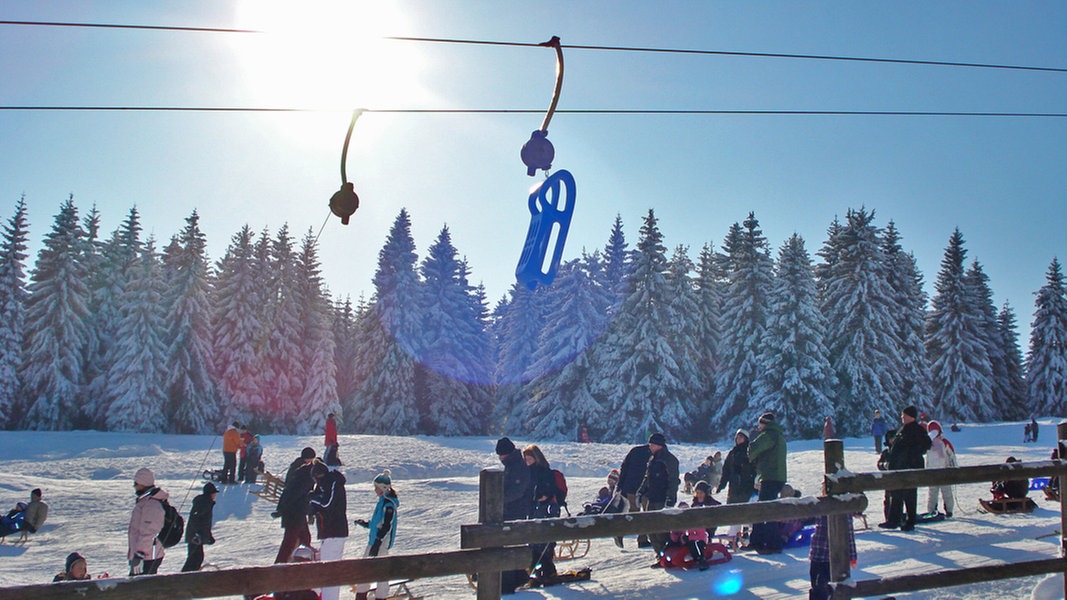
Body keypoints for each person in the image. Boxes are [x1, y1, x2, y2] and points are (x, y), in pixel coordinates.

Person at [879, 406, 931, 531]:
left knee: (909, 495)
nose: (902, 417)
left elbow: (926, 445)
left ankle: (909, 521)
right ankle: (894, 520)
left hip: (909, 468)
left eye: (904, 415)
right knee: (896, 494)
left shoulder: (917, 430)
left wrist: (911, 456)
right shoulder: (903, 430)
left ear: (910, 416)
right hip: (899, 467)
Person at [353, 470, 399, 600]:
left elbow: (386, 526)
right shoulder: (382, 501)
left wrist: (378, 542)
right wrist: (367, 524)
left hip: (380, 543)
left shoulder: (388, 504)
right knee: (365, 568)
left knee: (381, 572)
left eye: (376, 488)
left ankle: (380, 596)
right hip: (374, 541)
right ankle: (361, 595)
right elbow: (378, 523)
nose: (375, 490)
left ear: (384, 488)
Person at [637, 432, 680, 567]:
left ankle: (667, 555)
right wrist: (641, 491)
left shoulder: (670, 460)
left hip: (662, 498)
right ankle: (659, 556)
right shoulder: (653, 459)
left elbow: (673, 480)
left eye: (652, 444)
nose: (650, 446)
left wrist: (670, 497)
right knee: (651, 529)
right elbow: (647, 478)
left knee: (662, 529)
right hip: (651, 497)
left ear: (659, 445)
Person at [494, 437, 531, 594]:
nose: (500, 458)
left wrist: (500, 500)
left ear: (506, 453)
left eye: (501, 455)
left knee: (509, 545)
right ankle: (519, 576)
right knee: (512, 544)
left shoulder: (516, 466)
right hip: (512, 510)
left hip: (515, 510)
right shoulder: (512, 464)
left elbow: (517, 490)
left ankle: (509, 582)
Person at [307, 460, 348, 600]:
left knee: (330, 572)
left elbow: (327, 504)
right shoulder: (325, 485)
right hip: (327, 532)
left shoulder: (333, 483)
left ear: (319, 475)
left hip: (335, 532)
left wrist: (313, 499)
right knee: (326, 571)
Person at [748, 412, 788, 553]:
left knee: (765, 511)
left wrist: (751, 450)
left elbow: (754, 448)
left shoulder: (769, 435)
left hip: (770, 477)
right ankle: (758, 541)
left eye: (760, 424)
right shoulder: (779, 435)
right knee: (764, 508)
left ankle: (772, 544)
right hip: (776, 477)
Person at [273, 448, 317, 564]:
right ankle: (281, 564)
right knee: (291, 540)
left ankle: (300, 560)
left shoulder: (298, 468)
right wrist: (310, 510)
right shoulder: (305, 474)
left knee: (303, 537)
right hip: (294, 511)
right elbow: (299, 494)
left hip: (295, 510)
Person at [522, 444, 558, 579]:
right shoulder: (528, 471)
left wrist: (541, 496)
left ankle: (547, 571)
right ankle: (537, 570)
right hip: (534, 508)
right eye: (526, 458)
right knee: (534, 541)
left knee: (543, 541)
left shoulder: (544, 471)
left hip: (545, 509)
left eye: (529, 458)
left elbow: (548, 490)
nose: (528, 461)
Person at [717, 428, 756, 550]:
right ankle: (733, 538)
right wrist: (721, 485)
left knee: (746, 513)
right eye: (737, 438)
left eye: (741, 438)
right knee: (734, 514)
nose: (738, 440)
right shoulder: (732, 453)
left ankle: (749, 536)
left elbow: (754, 470)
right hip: (734, 488)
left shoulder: (750, 452)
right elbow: (726, 471)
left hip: (746, 488)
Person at [128, 467, 168, 576]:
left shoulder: (152, 504)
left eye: (136, 483)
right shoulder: (146, 501)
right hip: (145, 555)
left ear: (143, 483)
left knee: (139, 588)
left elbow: (150, 531)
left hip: (147, 556)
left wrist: (140, 554)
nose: (134, 486)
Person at [808, 513, 857, 600]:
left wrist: (853, 556)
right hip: (817, 553)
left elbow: (849, 533)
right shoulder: (820, 505)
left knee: (824, 586)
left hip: (833, 557)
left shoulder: (842, 509)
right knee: (816, 587)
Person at [616, 441, 653, 548]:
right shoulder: (656, 455)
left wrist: (621, 484)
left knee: (634, 513)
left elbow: (624, 468)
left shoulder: (635, 451)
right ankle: (641, 539)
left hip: (630, 488)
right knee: (645, 514)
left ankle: (624, 532)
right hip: (645, 489)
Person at [663, 502, 710, 571]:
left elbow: (701, 535)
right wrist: (676, 537)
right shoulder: (680, 522)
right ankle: (663, 557)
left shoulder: (696, 521)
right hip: (684, 541)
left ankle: (701, 560)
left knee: (694, 544)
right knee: (670, 543)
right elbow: (675, 533)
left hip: (699, 540)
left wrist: (689, 538)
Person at [182, 482, 218, 572]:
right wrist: (198, 534)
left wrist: (208, 536)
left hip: (196, 536)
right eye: (214, 493)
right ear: (210, 493)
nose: (215, 495)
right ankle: (185, 578)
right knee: (194, 559)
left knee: (196, 558)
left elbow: (205, 523)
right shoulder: (204, 503)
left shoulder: (206, 502)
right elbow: (196, 518)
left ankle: (189, 577)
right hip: (195, 537)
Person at [925, 421, 957, 518]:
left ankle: (947, 510)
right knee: (937, 493)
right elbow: (952, 456)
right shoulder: (929, 444)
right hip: (937, 472)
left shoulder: (942, 443)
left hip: (942, 472)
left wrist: (954, 468)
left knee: (942, 492)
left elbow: (951, 456)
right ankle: (934, 510)